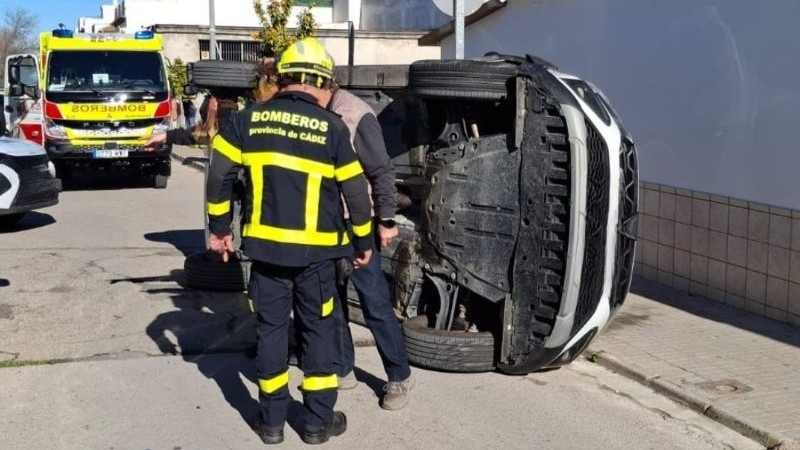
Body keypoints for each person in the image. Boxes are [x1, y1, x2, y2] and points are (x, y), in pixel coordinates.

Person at [205, 37, 374, 445]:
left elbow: (218, 175)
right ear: (319, 81)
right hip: (318, 258)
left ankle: (272, 424)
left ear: (282, 79)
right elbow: (355, 191)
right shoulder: (333, 128)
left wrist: (220, 229)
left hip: (265, 254)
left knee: (271, 332)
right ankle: (317, 424)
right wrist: (363, 240)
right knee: (318, 334)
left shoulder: (247, 121)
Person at [326, 84, 415, 410]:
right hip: (326, 223)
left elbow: (380, 170)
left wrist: (387, 219)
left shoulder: (355, 114)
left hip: (357, 223)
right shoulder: (316, 111)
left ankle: (399, 375)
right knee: (331, 299)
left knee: (374, 302)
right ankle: (343, 366)